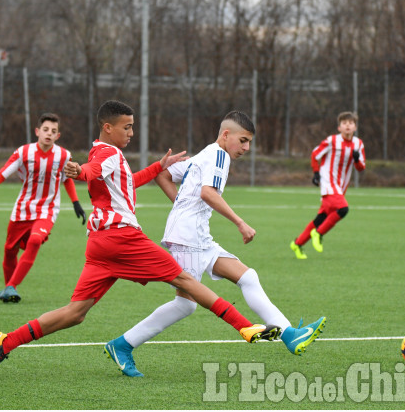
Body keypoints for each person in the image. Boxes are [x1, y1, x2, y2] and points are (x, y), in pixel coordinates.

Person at [0, 100, 279, 379]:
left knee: (75, 313)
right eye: (127, 127)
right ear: (108, 127)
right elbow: (90, 170)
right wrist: (79, 171)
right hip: (122, 238)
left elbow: (127, 183)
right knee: (186, 281)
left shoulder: (108, 153)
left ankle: (4, 342)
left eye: (133, 127)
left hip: (100, 244)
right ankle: (245, 327)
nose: (132, 133)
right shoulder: (106, 153)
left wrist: (158, 167)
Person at [107, 111, 326, 377]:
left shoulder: (205, 154)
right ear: (226, 135)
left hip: (197, 236)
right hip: (188, 238)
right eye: (243, 141)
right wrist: (240, 222)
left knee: (248, 277)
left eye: (249, 143)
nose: (246, 148)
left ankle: (290, 334)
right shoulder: (218, 155)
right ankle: (122, 345)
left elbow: (162, 174)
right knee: (185, 304)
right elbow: (207, 193)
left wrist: (181, 205)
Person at [0, 113, 87, 303]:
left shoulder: (64, 155)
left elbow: (67, 179)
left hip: (48, 209)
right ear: (37, 131)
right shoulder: (23, 152)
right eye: (45, 130)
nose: (49, 134)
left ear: (57, 136)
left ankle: (11, 287)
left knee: (35, 240)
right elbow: (5, 172)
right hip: (23, 208)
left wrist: (76, 203)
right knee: (10, 250)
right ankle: (8, 288)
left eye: (53, 131)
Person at [290, 111, 365, 259]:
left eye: (350, 123)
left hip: (340, 186)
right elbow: (315, 154)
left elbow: (361, 167)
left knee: (321, 218)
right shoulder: (332, 141)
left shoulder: (358, 144)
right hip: (328, 181)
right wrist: (316, 173)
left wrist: (356, 159)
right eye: (344, 123)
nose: (347, 126)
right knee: (343, 209)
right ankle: (318, 233)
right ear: (339, 127)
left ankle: (297, 244)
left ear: (355, 127)